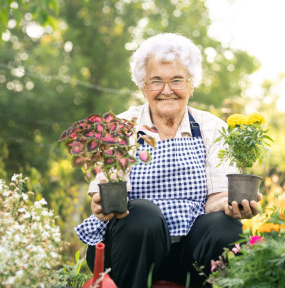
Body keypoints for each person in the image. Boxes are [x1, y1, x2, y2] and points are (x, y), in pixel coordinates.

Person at [75, 33, 262, 288]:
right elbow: (104, 188)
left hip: (190, 253)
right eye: (156, 81)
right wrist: (101, 203)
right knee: (144, 216)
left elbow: (218, 196)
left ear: (191, 85)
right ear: (143, 87)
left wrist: (233, 206)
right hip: (133, 250)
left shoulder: (211, 127)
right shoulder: (121, 127)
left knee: (225, 227)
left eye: (177, 80)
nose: (166, 90)